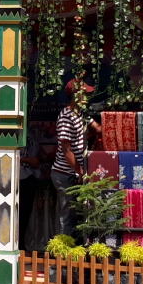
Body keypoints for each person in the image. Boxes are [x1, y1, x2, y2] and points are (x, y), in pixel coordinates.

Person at [51, 78, 96, 239]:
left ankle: (74, 249)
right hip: (65, 174)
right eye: (85, 93)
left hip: (75, 173)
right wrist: (80, 170)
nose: (87, 97)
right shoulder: (66, 117)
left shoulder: (82, 114)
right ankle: (63, 252)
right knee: (68, 216)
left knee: (76, 214)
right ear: (76, 95)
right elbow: (66, 149)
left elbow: (97, 128)